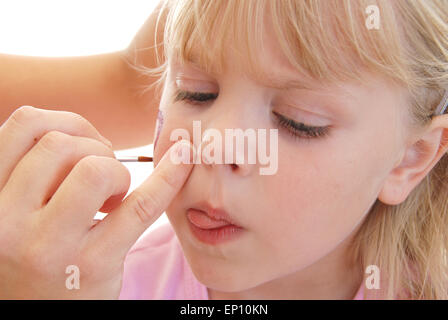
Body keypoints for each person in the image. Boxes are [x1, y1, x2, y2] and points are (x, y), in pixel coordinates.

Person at [1, 0, 448, 299]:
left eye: (299, 121)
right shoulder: (91, 286)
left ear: (410, 159)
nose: (214, 146)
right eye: (195, 93)